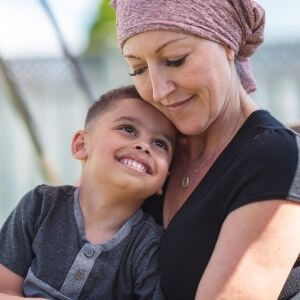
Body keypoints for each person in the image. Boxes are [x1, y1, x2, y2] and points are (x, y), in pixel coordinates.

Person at [111, 0, 300, 299]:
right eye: (138, 69)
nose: (159, 90)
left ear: (228, 44)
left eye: (175, 59)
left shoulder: (277, 158)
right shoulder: (150, 152)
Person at [0, 85, 176, 299]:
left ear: (164, 180)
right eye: (128, 129)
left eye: (160, 143)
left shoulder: (149, 245)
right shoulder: (39, 205)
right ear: (81, 145)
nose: (144, 146)